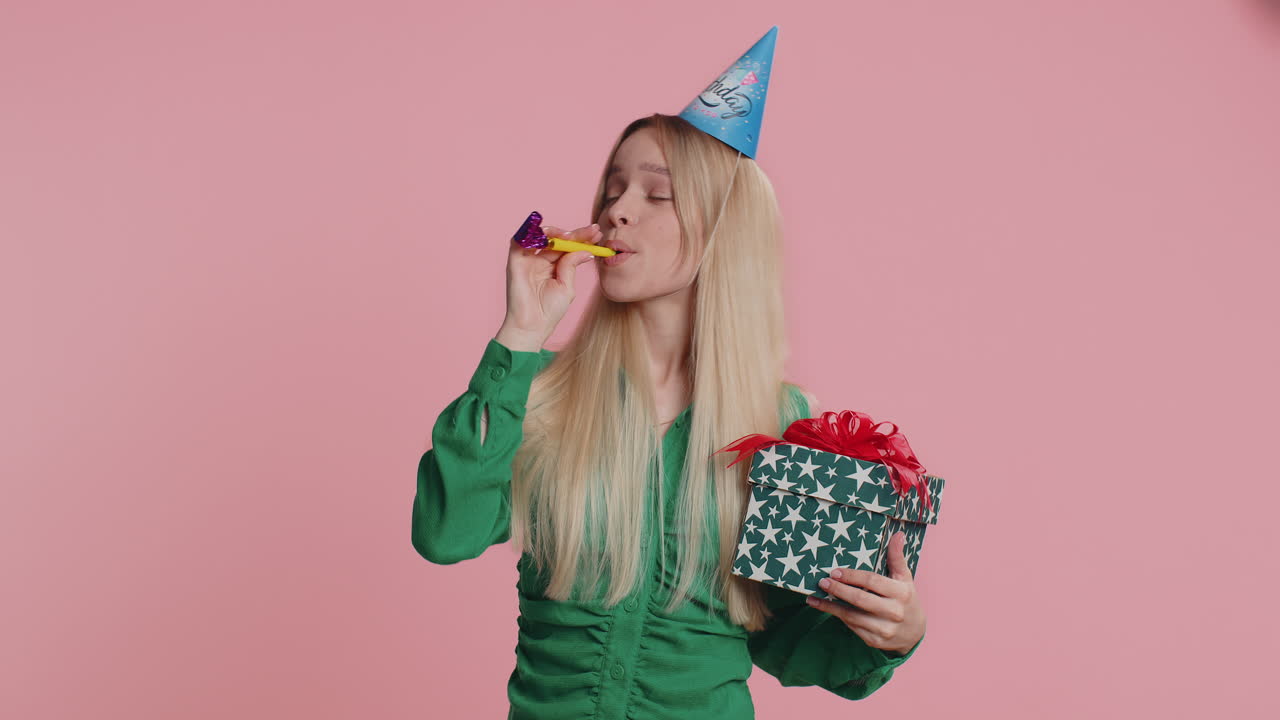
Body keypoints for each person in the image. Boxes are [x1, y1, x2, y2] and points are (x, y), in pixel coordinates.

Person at [411, 111, 926, 719]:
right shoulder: (538, 390)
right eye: (612, 190)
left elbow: (785, 638)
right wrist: (521, 332)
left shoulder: (786, 423)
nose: (616, 212)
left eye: (657, 194)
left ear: (725, 229)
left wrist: (896, 629)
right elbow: (447, 533)